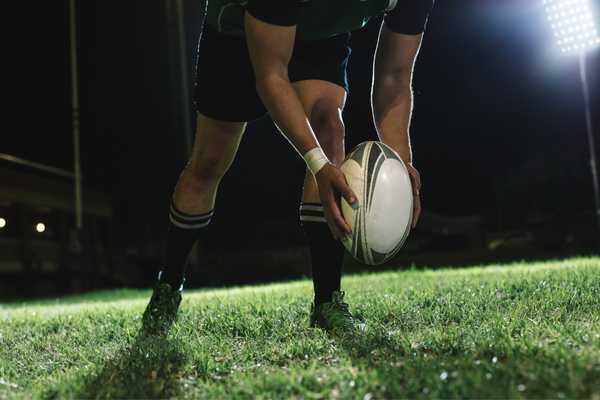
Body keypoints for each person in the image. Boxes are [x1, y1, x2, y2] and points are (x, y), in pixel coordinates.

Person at [142, 0, 433, 336]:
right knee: (208, 163)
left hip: (319, 32)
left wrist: (401, 161)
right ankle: (169, 282)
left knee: (329, 127)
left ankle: (327, 301)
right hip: (237, 28)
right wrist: (317, 164)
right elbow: (271, 75)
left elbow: (394, 78)